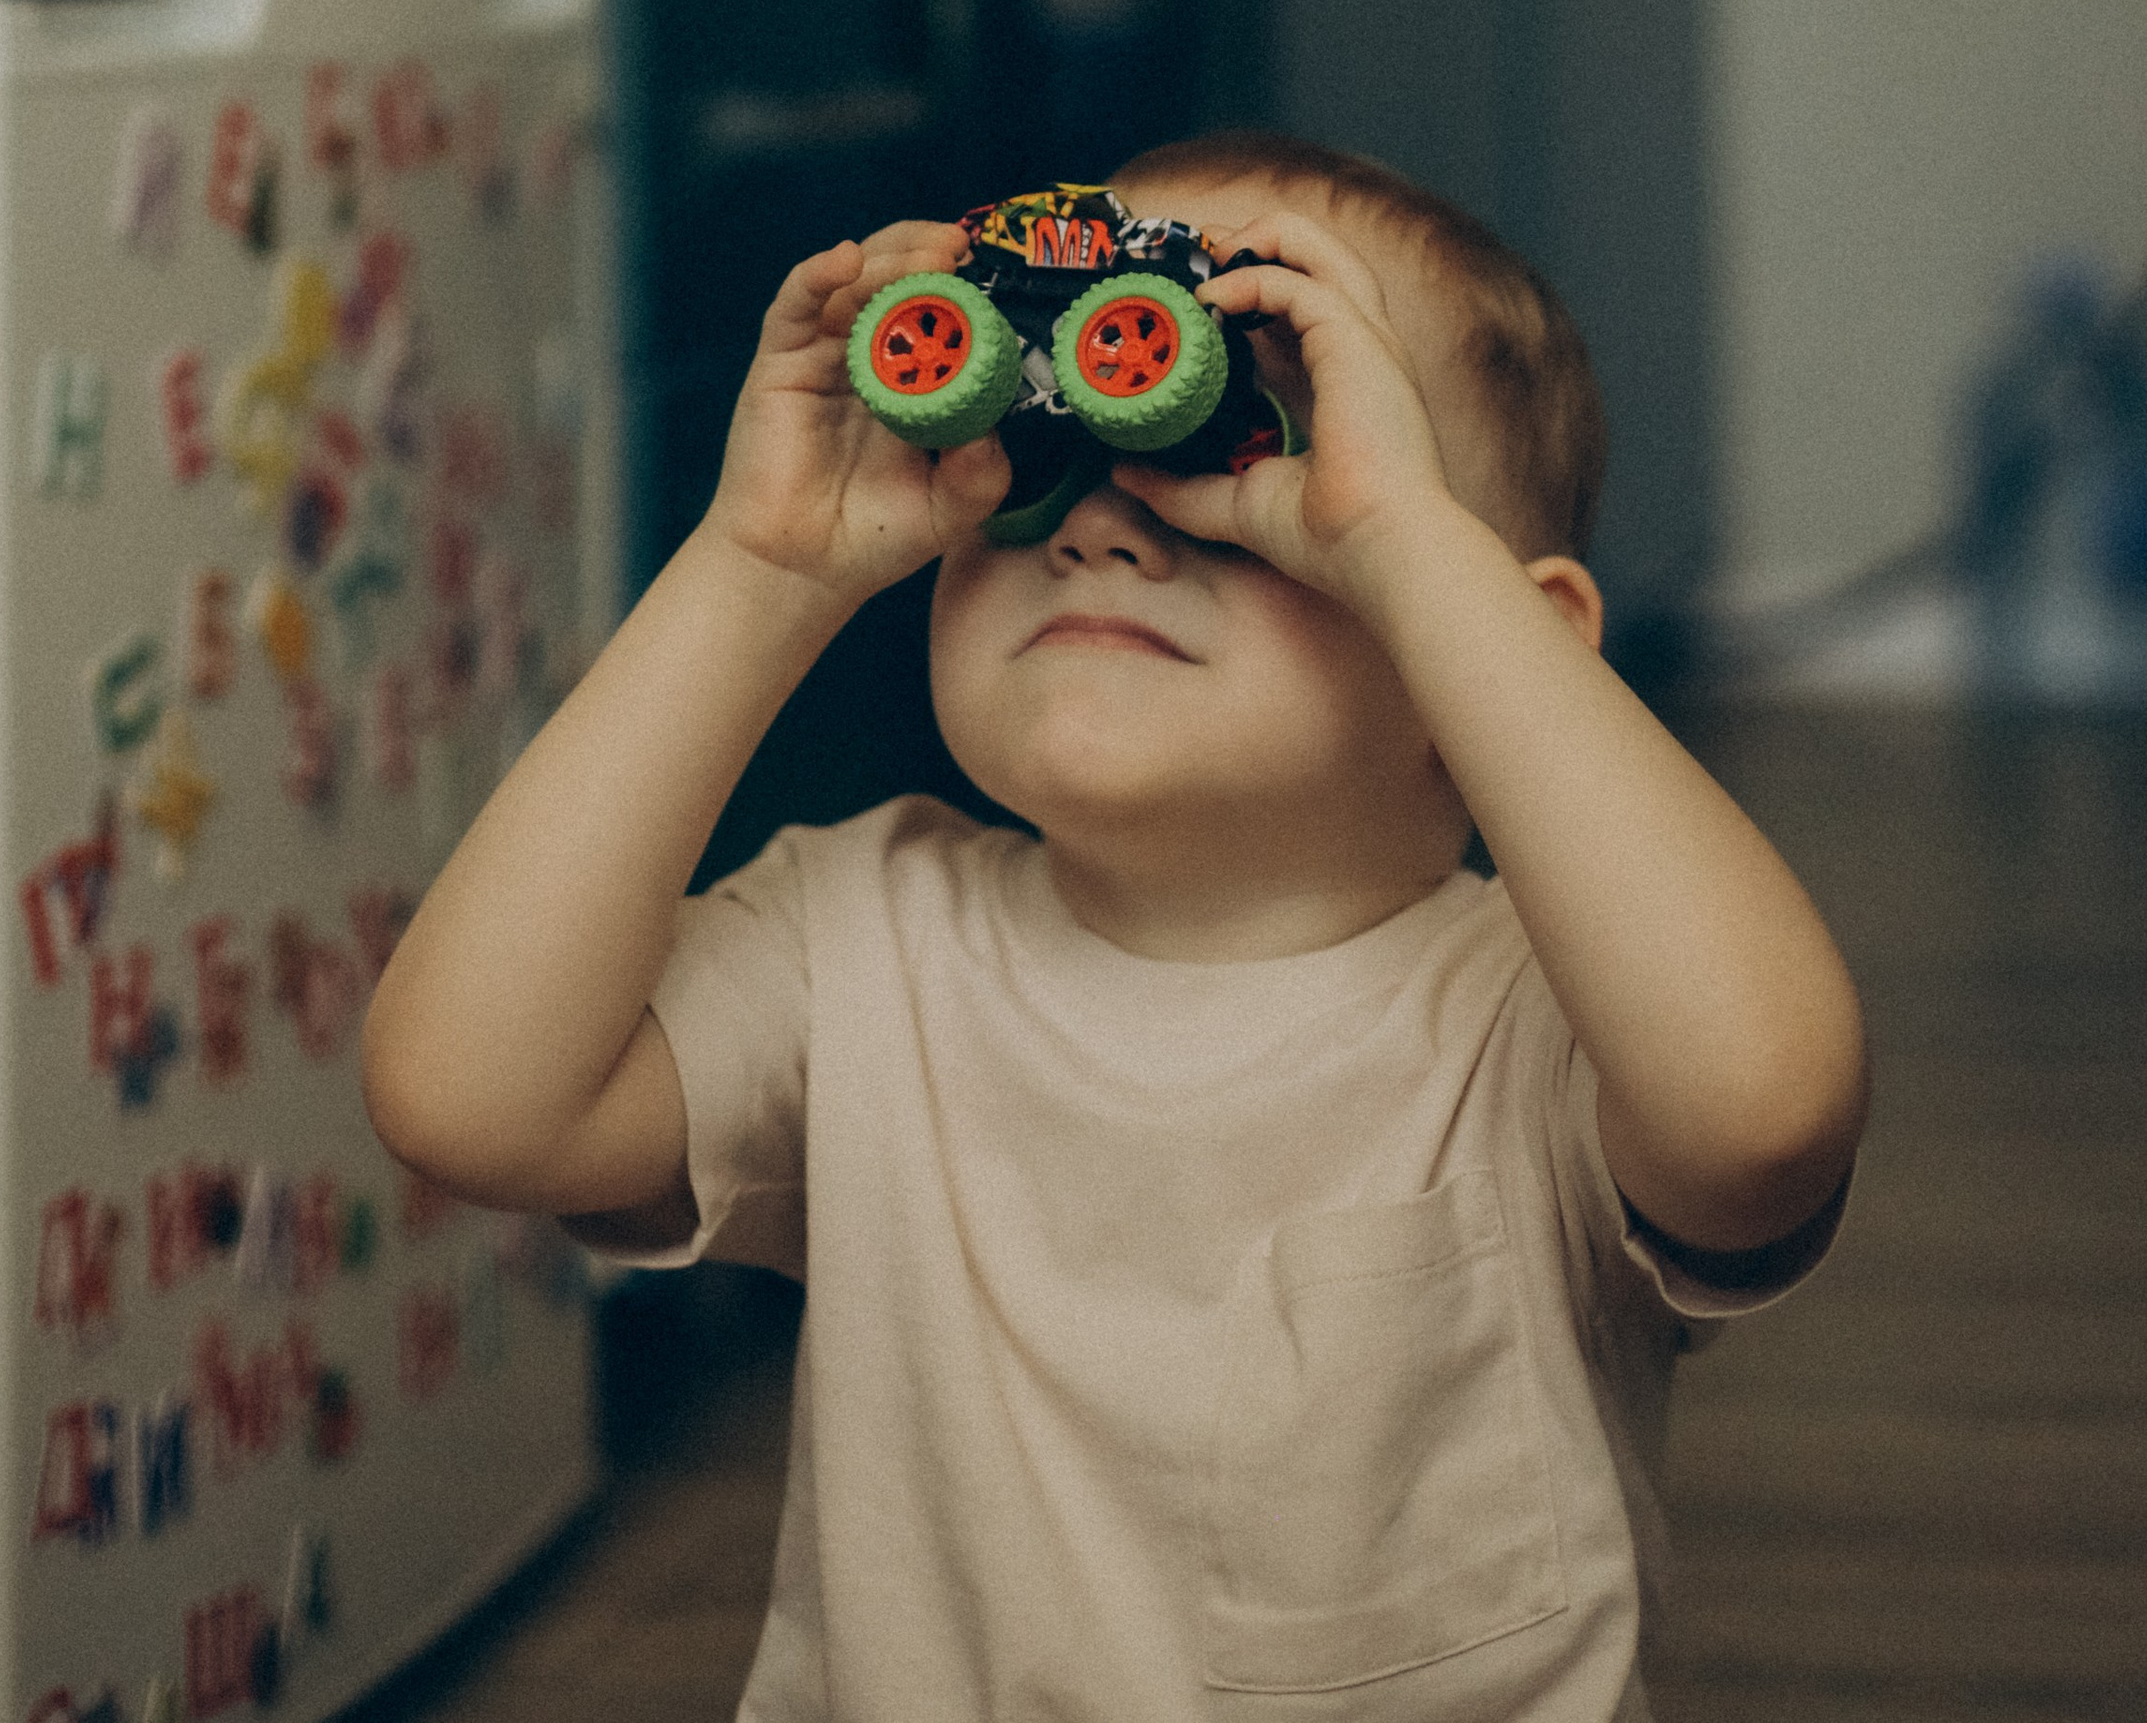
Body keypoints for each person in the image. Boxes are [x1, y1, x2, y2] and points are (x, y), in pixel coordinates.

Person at [362, 133, 1869, 1720]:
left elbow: (1763, 1108)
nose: (1103, 525)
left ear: (1507, 640)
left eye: (1248, 462)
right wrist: (759, 569)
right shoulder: (863, 940)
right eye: (1040, 447)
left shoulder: (1543, 1024)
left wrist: (1402, 540)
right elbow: (471, 1098)